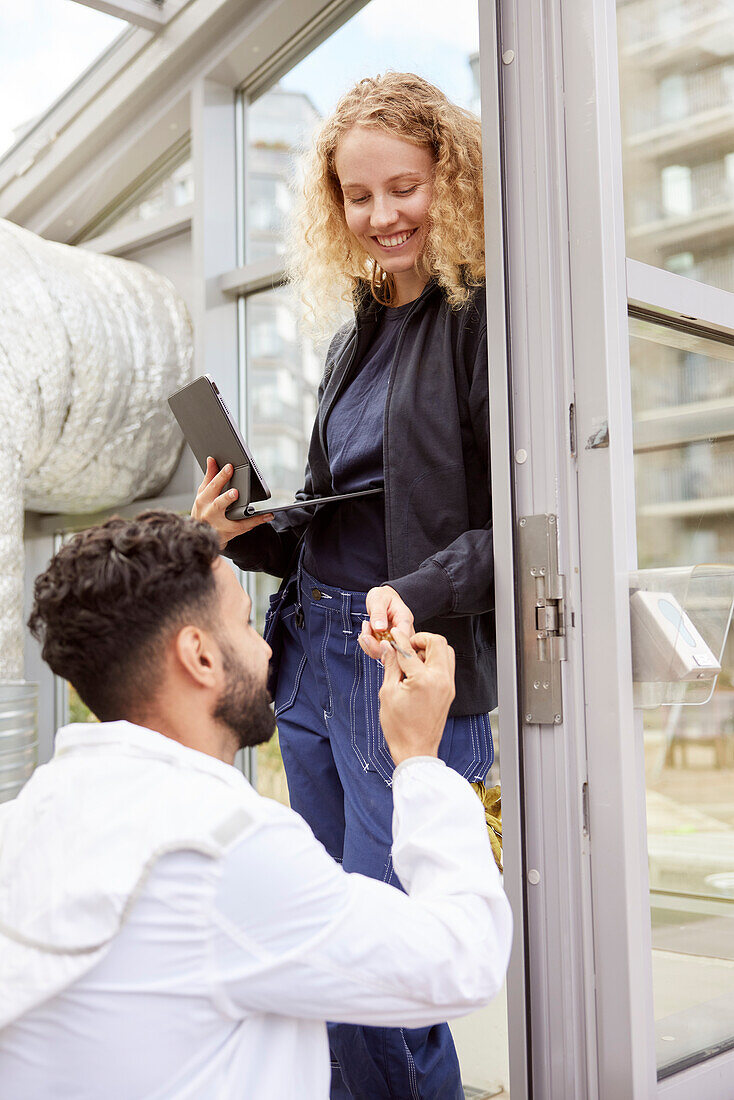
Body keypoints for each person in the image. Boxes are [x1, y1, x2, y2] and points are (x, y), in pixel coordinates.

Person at [192, 72, 495, 1098]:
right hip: (313, 656)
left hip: (396, 665)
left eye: (401, 187)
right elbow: (347, 512)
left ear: (447, 179)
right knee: (323, 941)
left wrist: (413, 587)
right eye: (356, 198)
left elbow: (532, 529)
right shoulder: (354, 330)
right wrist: (249, 529)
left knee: (386, 960)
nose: (380, 216)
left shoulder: (480, 322)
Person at [0, 511, 510, 1099]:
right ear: (199, 655)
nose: (268, 651)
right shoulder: (223, 850)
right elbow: (461, 963)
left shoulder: (24, 823)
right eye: (246, 624)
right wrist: (419, 759)